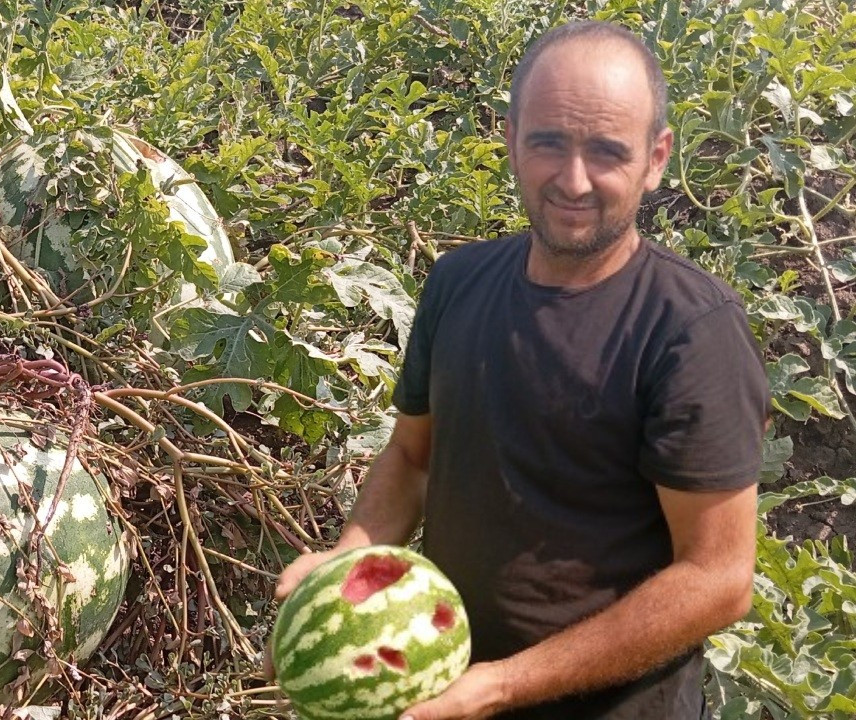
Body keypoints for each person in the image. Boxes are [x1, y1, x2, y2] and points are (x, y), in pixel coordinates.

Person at [268, 21, 770, 720]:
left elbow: (718, 579)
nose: (573, 179)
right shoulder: (458, 281)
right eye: (548, 143)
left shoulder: (690, 332)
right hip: (442, 692)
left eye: (606, 152)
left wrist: (503, 684)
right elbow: (414, 458)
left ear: (656, 159)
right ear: (510, 138)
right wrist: (349, 558)